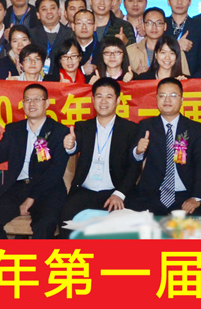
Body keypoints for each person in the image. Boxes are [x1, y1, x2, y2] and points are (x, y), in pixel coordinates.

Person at [0, 84, 70, 238]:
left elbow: (55, 172)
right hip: (17, 188)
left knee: (45, 224)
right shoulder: (14, 130)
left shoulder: (59, 131)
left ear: (47, 103)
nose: (31, 103)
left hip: (47, 190)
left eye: (37, 99)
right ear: (22, 104)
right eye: (27, 100)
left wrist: (31, 198)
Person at [58, 78, 143, 237]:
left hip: (114, 191)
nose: (103, 101)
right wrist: (70, 146)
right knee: (66, 219)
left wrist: (119, 194)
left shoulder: (130, 129)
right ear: (93, 100)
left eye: (109, 97)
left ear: (118, 100)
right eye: (99, 96)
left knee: (126, 228)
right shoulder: (83, 126)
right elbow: (74, 148)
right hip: (85, 191)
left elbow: (134, 167)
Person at [129, 78, 201, 215]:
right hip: (151, 194)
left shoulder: (195, 129)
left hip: (185, 195)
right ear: (156, 99)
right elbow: (133, 160)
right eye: (162, 95)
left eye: (173, 95)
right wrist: (138, 151)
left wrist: (196, 197)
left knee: (196, 221)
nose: (167, 100)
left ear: (182, 99)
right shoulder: (146, 126)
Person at [128, 8, 190, 76]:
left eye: (159, 23)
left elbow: (186, 78)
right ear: (143, 26)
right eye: (149, 23)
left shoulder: (176, 50)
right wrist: (136, 76)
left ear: (165, 26)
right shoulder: (130, 51)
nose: (154, 27)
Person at [165, 0, 201, 74]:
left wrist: (192, 80)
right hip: (164, 79)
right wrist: (177, 46)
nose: (179, 2)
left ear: (190, 2)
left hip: (192, 80)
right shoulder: (161, 25)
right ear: (168, 2)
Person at [28, 0, 73, 75]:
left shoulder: (70, 34)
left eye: (52, 8)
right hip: (37, 78)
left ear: (59, 12)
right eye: (44, 9)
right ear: (38, 15)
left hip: (63, 78)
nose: (49, 12)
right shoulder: (31, 34)